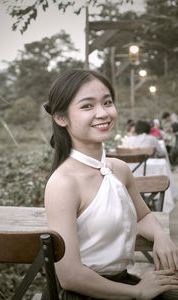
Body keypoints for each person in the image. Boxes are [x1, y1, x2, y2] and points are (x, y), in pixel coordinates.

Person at [44, 69, 178, 300]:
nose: (103, 113)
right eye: (87, 106)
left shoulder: (119, 168)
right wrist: (137, 291)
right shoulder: (63, 183)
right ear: (60, 117)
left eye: (107, 102)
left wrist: (161, 235)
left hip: (122, 280)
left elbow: (142, 216)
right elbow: (70, 276)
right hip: (85, 293)